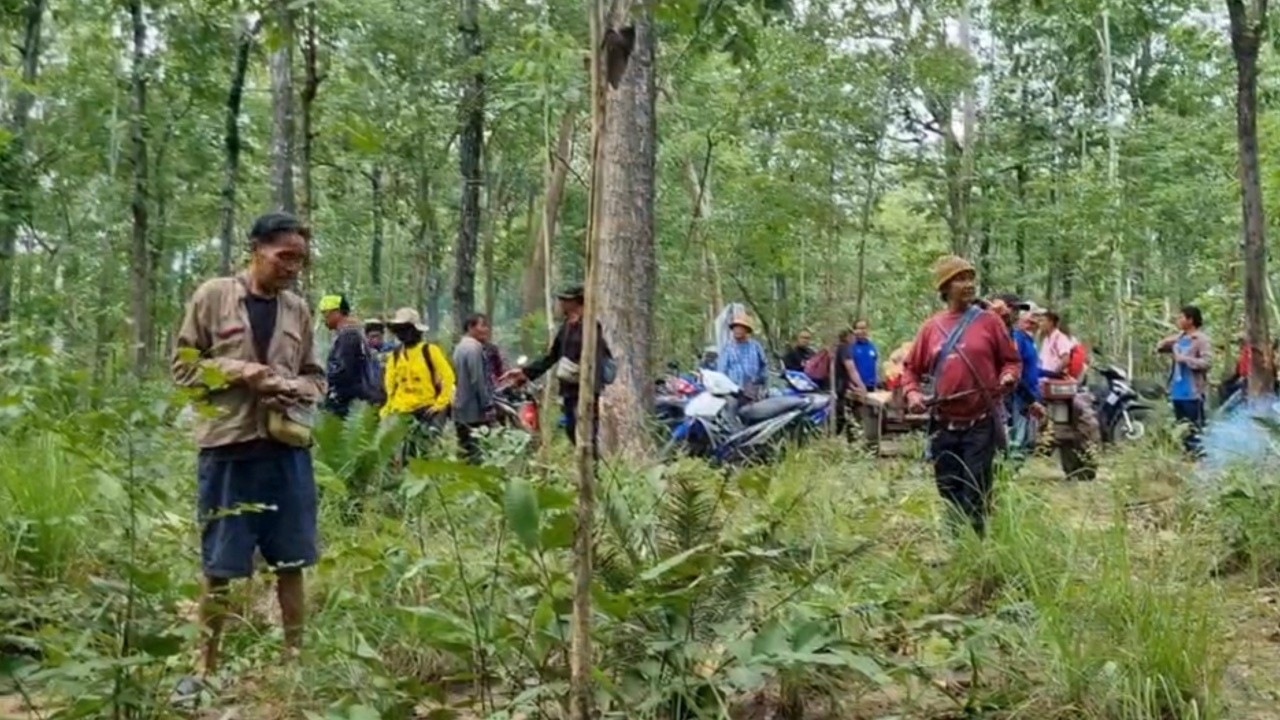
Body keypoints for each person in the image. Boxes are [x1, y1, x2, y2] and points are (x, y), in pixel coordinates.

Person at [170, 211, 324, 690]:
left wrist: (295, 389)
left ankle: (294, 662)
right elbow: (182, 369)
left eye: (299, 259)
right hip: (228, 451)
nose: (292, 267)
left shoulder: (298, 309)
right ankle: (205, 667)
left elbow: (316, 377)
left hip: (285, 451)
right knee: (219, 565)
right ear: (256, 249)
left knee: (292, 561)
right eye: (284, 257)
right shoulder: (213, 297)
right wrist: (242, 372)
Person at [901, 255, 1020, 537]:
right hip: (944, 423)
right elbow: (910, 369)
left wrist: (1008, 376)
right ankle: (956, 541)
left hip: (980, 421)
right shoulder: (931, 328)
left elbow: (1011, 361)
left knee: (976, 489)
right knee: (948, 486)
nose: (968, 284)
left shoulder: (990, 322)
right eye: (960, 279)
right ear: (945, 287)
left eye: (970, 277)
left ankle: (978, 548)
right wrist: (913, 393)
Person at [501, 285, 613, 448]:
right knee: (570, 430)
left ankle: (592, 471)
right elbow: (552, 356)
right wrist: (525, 373)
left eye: (565, 300)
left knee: (587, 435)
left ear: (575, 301)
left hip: (586, 388)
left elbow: (598, 357)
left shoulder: (590, 326)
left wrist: (592, 391)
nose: (561, 303)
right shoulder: (566, 326)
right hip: (569, 389)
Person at [382, 307, 456, 458]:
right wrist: (388, 408)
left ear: (416, 330)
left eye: (406, 328)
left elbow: (448, 377)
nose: (403, 333)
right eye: (399, 329)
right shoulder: (395, 355)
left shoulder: (429, 350)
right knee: (405, 454)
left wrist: (441, 403)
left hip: (426, 410)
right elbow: (390, 384)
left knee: (426, 451)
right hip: (402, 411)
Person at [989, 295, 1043, 457]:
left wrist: (1030, 399)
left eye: (1018, 310)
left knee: (1013, 439)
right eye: (1013, 309)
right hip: (990, 394)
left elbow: (1014, 369)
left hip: (1011, 393)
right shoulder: (989, 332)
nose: (1015, 313)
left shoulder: (1012, 335)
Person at [1156, 305, 1212, 456]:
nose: (1178, 320)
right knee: (1182, 429)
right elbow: (1160, 347)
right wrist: (1172, 339)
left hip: (1192, 392)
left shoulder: (1200, 339)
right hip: (1177, 391)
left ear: (1191, 320)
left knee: (1195, 429)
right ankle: (1188, 457)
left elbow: (1207, 363)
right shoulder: (1179, 338)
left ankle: (1199, 459)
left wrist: (1185, 359)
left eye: (1181, 317)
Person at [318, 294, 382, 416]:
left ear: (337, 312)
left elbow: (345, 371)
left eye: (325, 313)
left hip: (350, 401)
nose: (324, 318)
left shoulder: (348, 335)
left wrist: (325, 382)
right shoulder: (352, 332)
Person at [452, 313, 497, 464]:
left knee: (464, 449)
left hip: (460, 408)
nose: (486, 329)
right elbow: (478, 379)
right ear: (471, 327)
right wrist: (487, 404)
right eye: (482, 325)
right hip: (474, 410)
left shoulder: (459, 347)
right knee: (477, 451)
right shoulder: (474, 348)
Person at [716, 314, 769, 397]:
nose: (737, 330)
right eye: (735, 328)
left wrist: (759, 380)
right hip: (733, 391)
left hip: (753, 390)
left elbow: (764, 366)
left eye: (740, 328)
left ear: (746, 330)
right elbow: (721, 370)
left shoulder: (755, 346)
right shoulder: (727, 348)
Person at [833, 328, 868, 440]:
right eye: (852, 336)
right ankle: (848, 440)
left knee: (843, 416)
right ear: (847, 337)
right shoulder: (845, 349)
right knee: (844, 416)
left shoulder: (838, 348)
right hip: (840, 389)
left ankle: (845, 439)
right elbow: (851, 369)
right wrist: (862, 386)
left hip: (839, 387)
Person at [851, 319, 880, 390]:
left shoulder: (872, 347)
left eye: (864, 328)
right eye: (859, 328)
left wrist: (877, 381)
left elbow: (876, 365)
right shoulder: (851, 347)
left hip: (871, 386)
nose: (862, 331)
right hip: (856, 387)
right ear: (854, 331)